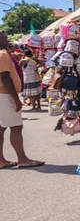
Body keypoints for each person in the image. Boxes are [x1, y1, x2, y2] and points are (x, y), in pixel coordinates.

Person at [0, 31, 45, 169]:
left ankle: (1, 160)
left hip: (2, 94)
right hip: (5, 94)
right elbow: (5, 77)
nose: (8, 40)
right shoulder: (2, 55)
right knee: (16, 127)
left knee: (1, 128)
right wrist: (16, 99)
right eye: (5, 37)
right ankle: (22, 159)